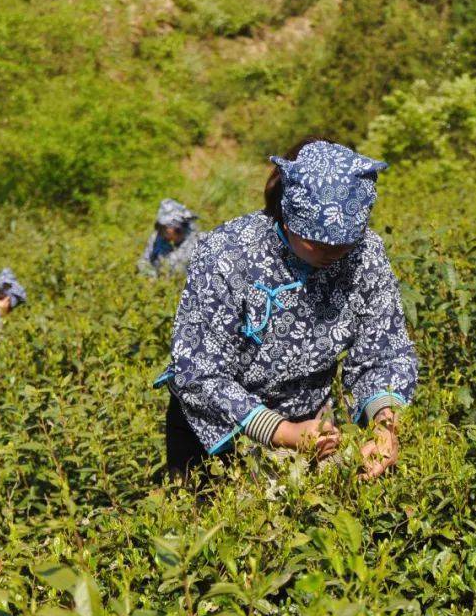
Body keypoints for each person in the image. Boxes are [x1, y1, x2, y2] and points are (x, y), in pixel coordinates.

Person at [156, 139, 419, 480]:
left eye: (345, 242)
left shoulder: (364, 254)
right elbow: (198, 372)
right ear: (289, 215)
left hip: (309, 421)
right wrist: (282, 433)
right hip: (218, 430)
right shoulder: (228, 253)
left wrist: (386, 426)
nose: (333, 251)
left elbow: (384, 353)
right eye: (318, 241)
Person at [137, 199, 199, 278]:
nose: (163, 230)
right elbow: (144, 261)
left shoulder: (197, 243)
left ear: (178, 226)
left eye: (167, 226)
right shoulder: (156, 237)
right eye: (161, 226)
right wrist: (150, 275)